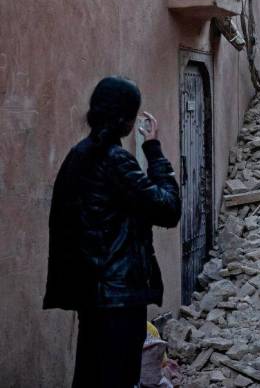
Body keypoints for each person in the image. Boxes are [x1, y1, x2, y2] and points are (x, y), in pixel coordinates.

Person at [44, 77, 181, 388]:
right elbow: (168, 209)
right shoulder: (115, 161)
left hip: (91, 294)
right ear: (127, 119)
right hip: (119, 298)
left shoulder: (78, 156)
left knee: (92, 376)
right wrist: (154, 150)